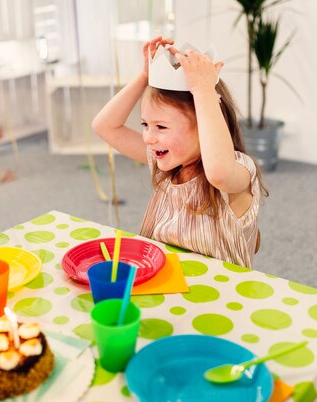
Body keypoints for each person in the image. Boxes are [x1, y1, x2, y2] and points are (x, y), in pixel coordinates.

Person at [92, 37, 268, 268]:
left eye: (161, 127)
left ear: (205, 125)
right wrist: (144, 77)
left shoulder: (239, 170)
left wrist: (203, 90)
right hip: (163, 285)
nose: (148, 137)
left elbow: (218, 172)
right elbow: (105, 126)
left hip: (219, 296)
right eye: (145, 124)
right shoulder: (166, 159)